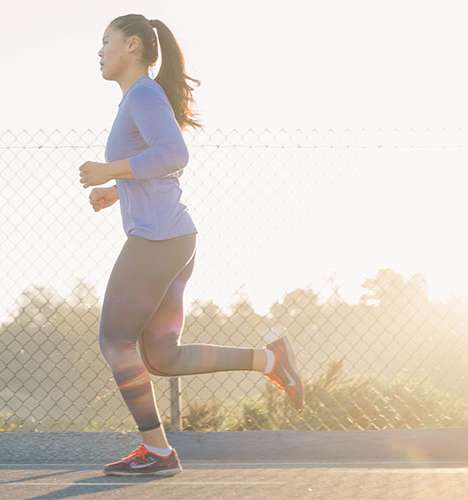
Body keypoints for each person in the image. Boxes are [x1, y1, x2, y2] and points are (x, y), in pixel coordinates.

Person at [78, 13, 304, 477]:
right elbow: (161, 165)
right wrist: (117, 191)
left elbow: (175, 154)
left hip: (159, 240)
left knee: (115, 340)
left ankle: (158, 452)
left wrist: (110, 171)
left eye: (106, 42)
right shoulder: (137, 99)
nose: (99, 51)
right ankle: (271, 359)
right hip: (174, 238)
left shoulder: (142, 93)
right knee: (161, 355)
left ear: (134, 46)